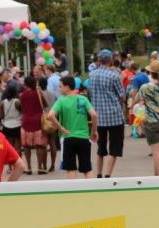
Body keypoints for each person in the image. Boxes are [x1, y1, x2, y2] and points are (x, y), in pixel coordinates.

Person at [46, 76, 98, 179]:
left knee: (71, 168)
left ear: (67, 87)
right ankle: (92, 190)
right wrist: (93, 131)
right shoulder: (83, 99)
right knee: (87, 168)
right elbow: (94, 115)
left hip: (68, 137)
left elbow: (50, 115)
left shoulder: (61, 101)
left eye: (60, 86)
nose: (59, 89)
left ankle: (73, 192)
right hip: (83, 137)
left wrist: (60, 128)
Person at [87, 49, 125, 178]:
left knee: (100, 147)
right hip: (114, 116)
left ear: (98, 60)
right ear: (110, 61)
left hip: (99, 117)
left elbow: (90, 94)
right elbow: (122, 96)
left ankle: (98, 173)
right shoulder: (114, 75)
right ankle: (108, 175)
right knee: (114, 147)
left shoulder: (91, 75)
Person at [137, 60, 159, 176]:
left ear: (151, 73)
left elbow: (138, 101)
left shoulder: (145, 87)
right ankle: (156, 177)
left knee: (157, 153)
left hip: (151, 121)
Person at [18, 75, 47, 175]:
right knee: (40, 145)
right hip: (38, 121)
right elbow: (45, 105)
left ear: (25, 84)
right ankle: (40, 167)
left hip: (26, 121)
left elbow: (22, 108)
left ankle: (29, 167)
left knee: (26, 146)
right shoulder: (39, 93)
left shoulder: (23, 95)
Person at [0, 83, 23, 155]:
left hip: (6, 126)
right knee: (17, 146)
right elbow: (22, 111)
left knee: (9, 147)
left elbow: (1, 116)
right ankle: (18, 162)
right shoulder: (17, 102)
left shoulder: (2, 103)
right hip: (17, 125)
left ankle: (10, 165)